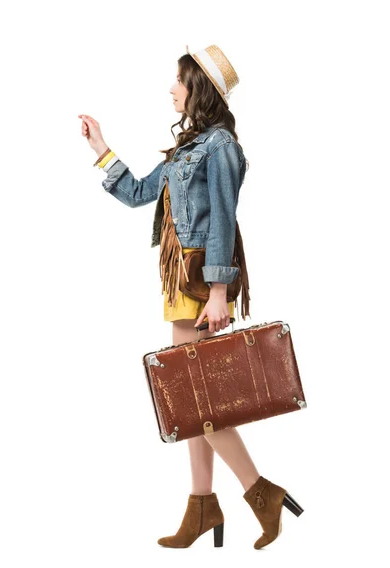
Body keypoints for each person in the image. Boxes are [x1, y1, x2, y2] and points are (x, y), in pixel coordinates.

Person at [78, 44, 303, 550]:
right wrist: (101, 149)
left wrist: (220, 291)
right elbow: (139, 193)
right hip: (179, 281)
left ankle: (258, 491)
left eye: (178, 81)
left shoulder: (220, 146)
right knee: (191, 399)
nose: (172, 89)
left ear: (196, 88)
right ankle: (203, 504)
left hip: (202, 284)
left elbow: (223, 217)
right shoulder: (189, 148)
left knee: (198, 400)